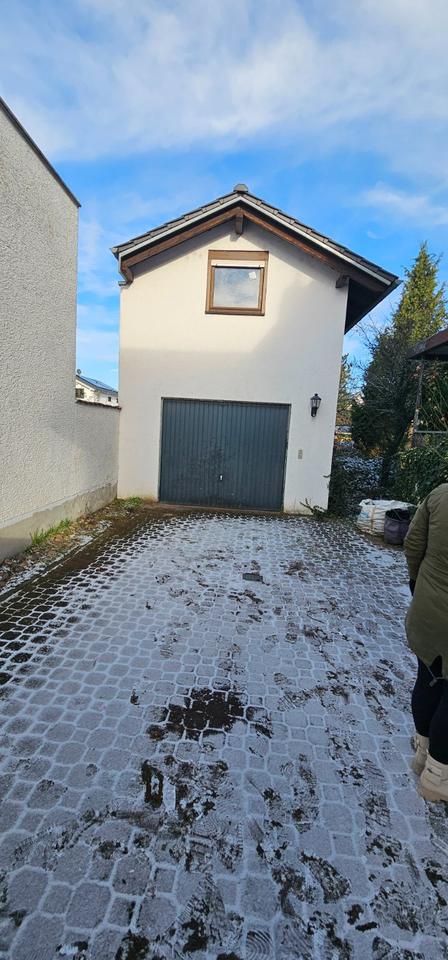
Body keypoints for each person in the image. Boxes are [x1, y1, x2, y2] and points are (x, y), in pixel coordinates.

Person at [404, 482, 448, 802]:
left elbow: (412, 542)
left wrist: (417, 583)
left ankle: (422, 752)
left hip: (429, 610)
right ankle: (437, 776)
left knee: (428, 679)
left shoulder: (440, 494)